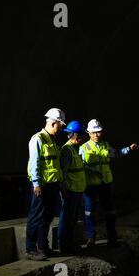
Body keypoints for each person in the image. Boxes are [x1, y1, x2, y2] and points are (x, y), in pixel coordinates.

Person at [80, 119, 139, 247]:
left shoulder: (106, 145)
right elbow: (81, 165)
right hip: (90, 185)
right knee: (89, 212)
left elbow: (117, 154)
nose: (96, 135)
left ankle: (112, 237)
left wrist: (129, 148)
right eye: (94, 132)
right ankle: (91, 237)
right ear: (89, 133)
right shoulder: (84, 148)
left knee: (110, 211)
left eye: (99, 132)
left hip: (105, 184)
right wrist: (93, 172)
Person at [26, 108, 66, 261]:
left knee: (47, 216)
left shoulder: (52, 140)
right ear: (53, 123)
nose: (61, 129)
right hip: (41, 185)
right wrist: (36, 183)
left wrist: (60, 184)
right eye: (60, 125)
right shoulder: (38, 139)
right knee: (36, 216)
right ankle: (30, 249)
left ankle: (43, 247)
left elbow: (54, 165)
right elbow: (34, 163)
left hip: (52, 185)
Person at [58, 121, 87, 255]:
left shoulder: (75, 149)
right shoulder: (67, 150)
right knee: (67, 220)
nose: (84, 139)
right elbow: (62, 173)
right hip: (70, 191)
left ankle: (70, 245)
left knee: (73, 219)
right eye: (83, 136)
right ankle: (64, 247)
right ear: (77, 136)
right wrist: (64, 191)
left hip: (77, 190)